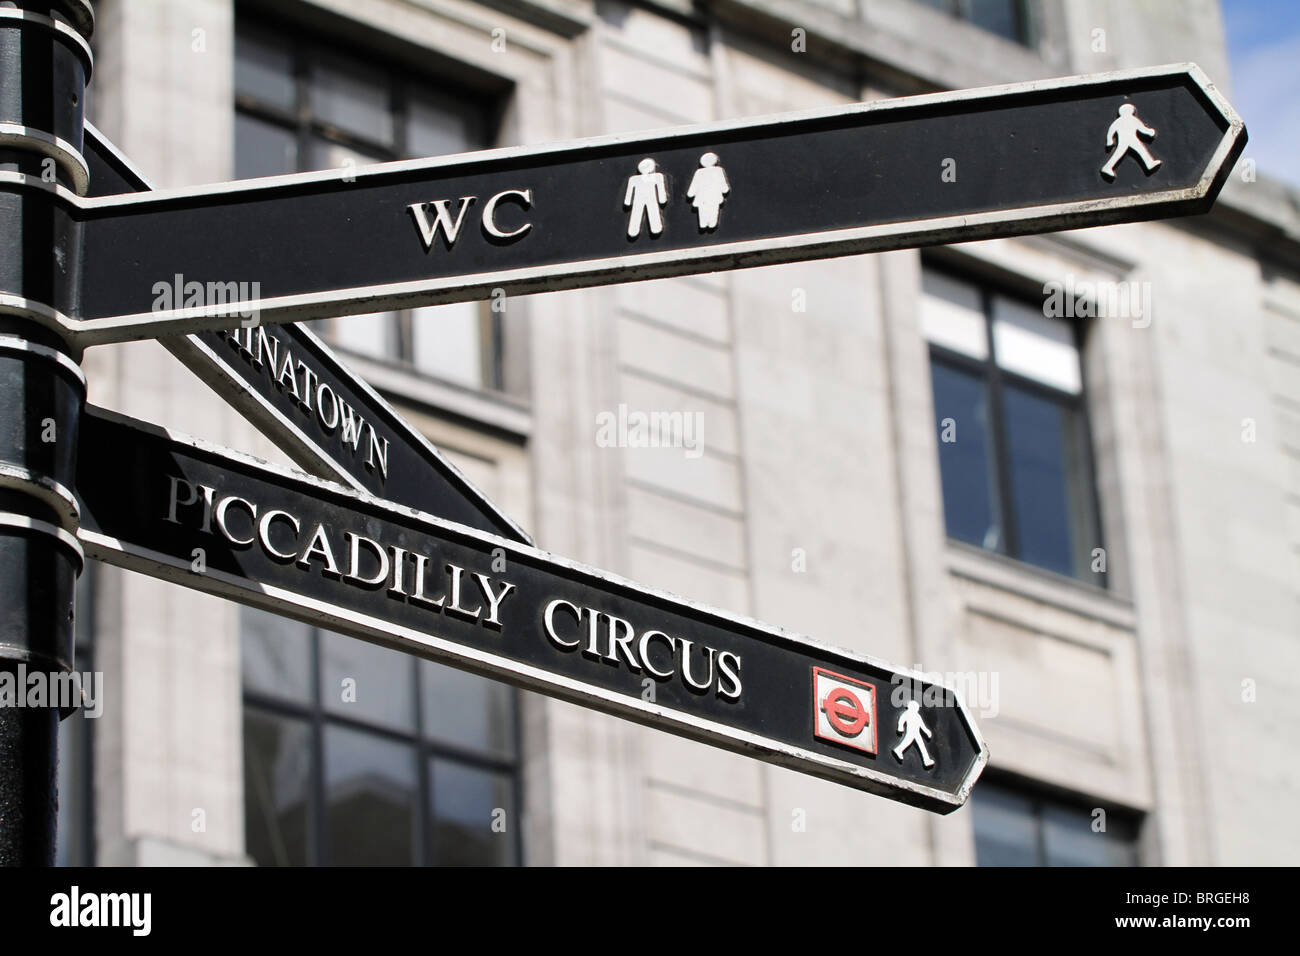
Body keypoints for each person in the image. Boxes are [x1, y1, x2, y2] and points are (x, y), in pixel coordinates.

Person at [1101, 103, 1162, 180]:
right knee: (1124, 153)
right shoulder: (1132, 119)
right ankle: (1107, 167)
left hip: (1130, 139)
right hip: (1128, 140)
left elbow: (1111, 131)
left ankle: (1149, 163)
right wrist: (1150, 132)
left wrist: (1109, 140)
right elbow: (1142, 129)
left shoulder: (1118, 121)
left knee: (1138, 150)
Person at [624, 157, 668, 238]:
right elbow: (661, 189)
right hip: (646, 199)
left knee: (646, 212)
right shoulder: (656, 177)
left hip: (643, 199)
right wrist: (662, 199)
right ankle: (654, 228)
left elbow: (629, 193)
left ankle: (653, 228)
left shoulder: (634, 179)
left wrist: (627, 202)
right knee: (650, 211)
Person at [687, 152, 730, 230]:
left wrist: (691, 193)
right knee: (712, 209)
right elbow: (723, 185)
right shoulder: (717, 170)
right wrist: (724, 189)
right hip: (713, 196)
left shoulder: (699, 172)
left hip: (703, 197)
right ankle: (710, 224)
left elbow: (694, 185)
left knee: (704, 210)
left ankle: (704, 223)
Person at [892, 700, 935, 768]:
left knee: (921, 745)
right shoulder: (907, 713)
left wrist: (927, 731)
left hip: (916, 732)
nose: (917, 709)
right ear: (911, 706)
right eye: (915, 707)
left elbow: (922, 725)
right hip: (911, 731)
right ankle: (898, 750)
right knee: (908, 742)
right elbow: (901, 720)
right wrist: (900, 727)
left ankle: (926, 760)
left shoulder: (917, 715)